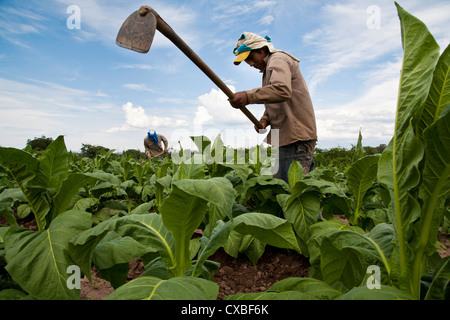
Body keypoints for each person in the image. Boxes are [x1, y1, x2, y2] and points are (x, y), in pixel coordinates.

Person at [228, 32, 317, 183]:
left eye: (250, 58)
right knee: (283, 190)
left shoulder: (278, 59)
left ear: (262, 50)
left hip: (296, 139)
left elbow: (282, 90)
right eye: (246, 61)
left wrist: (247, 96)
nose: (250, 64)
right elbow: (275, 101)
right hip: (287, 138)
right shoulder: (269, 68)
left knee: (291, 194)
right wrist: (265, 119)